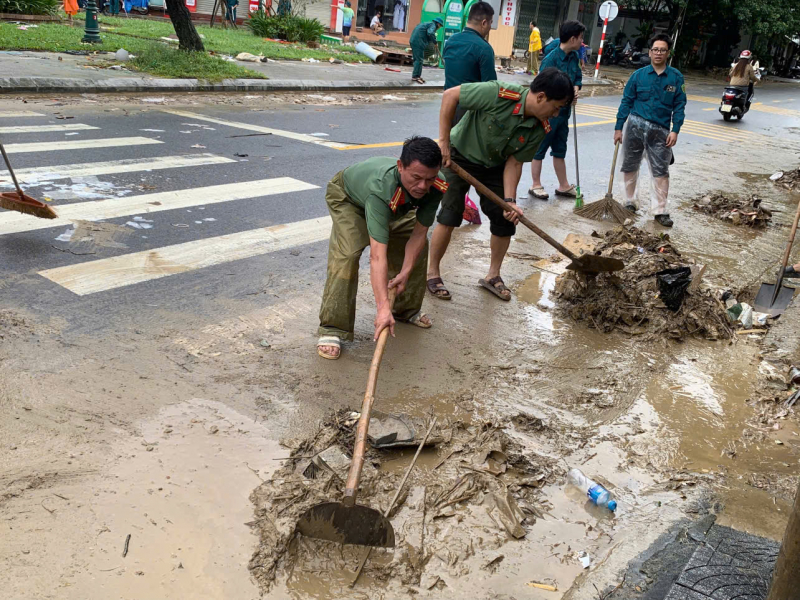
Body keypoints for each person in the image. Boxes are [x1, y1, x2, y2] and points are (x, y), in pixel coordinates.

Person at [426, 69, 574, 302]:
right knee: (450, 214)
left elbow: (514, 164)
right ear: (541, 97)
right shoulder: (498, 93)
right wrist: (443, 141)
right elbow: (450, 96)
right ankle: (433, 273)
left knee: (505, 218)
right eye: (556, 107)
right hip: (458, 156)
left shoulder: (539, 127)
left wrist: (510, 202)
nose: (556, 114)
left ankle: (493, 276)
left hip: (495, 165)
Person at [317, 137, 448, 360]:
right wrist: (382, 308)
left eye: (429, 178)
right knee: (348, 253)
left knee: (418, 245)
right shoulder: (379, 189)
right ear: (400, 166)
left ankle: (406, 310)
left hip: (395, 205)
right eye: (416, 178)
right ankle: (333, 327)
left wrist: (405, 272)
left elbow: (418, 234)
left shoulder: (436, 185)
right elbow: (377, 256)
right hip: (350, 200)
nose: (423, 186)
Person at [614, 33, 686, 228]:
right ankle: (629, 202)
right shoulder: (638, 76)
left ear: (668, 53)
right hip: (635, 126)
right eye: (655, 49)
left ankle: (660, 211)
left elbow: (679, 106)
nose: (658, 53)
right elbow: (626, 101)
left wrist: (676, 130)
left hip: (661, 131)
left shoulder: (676, 78)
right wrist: (619, 127)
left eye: (662, 50)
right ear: (650, 51)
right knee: (630, 165)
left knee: (660, 170)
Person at [528, 20, 584, 200]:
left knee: (560, 148)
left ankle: (564, 185)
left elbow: (577, 78)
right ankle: (535, 185)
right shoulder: (550, 60)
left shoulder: (574, 57)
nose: (582, 42)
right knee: (540, 147)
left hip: (564, 113)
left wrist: (575, 89)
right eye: (581, 38)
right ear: (573, 38)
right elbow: (540, 88)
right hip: (549, 114)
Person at [442, 1, 495, 109]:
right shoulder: (484, 48)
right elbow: (491, 89)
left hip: (448, 107)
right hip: (470, 114)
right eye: (491, 23)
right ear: (484, 23)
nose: (490, 27)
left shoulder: (451, 41)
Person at [410, 17, 443, 84]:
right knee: (419, 60)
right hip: (418, 42)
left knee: (418, 59)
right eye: (440, 26)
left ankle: (417, 76)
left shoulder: (428, 24)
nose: (439, 27)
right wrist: (435, 42)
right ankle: (415, 76)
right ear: (438, 24)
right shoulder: (432, 25)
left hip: (415, 41)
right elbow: (430, 33)